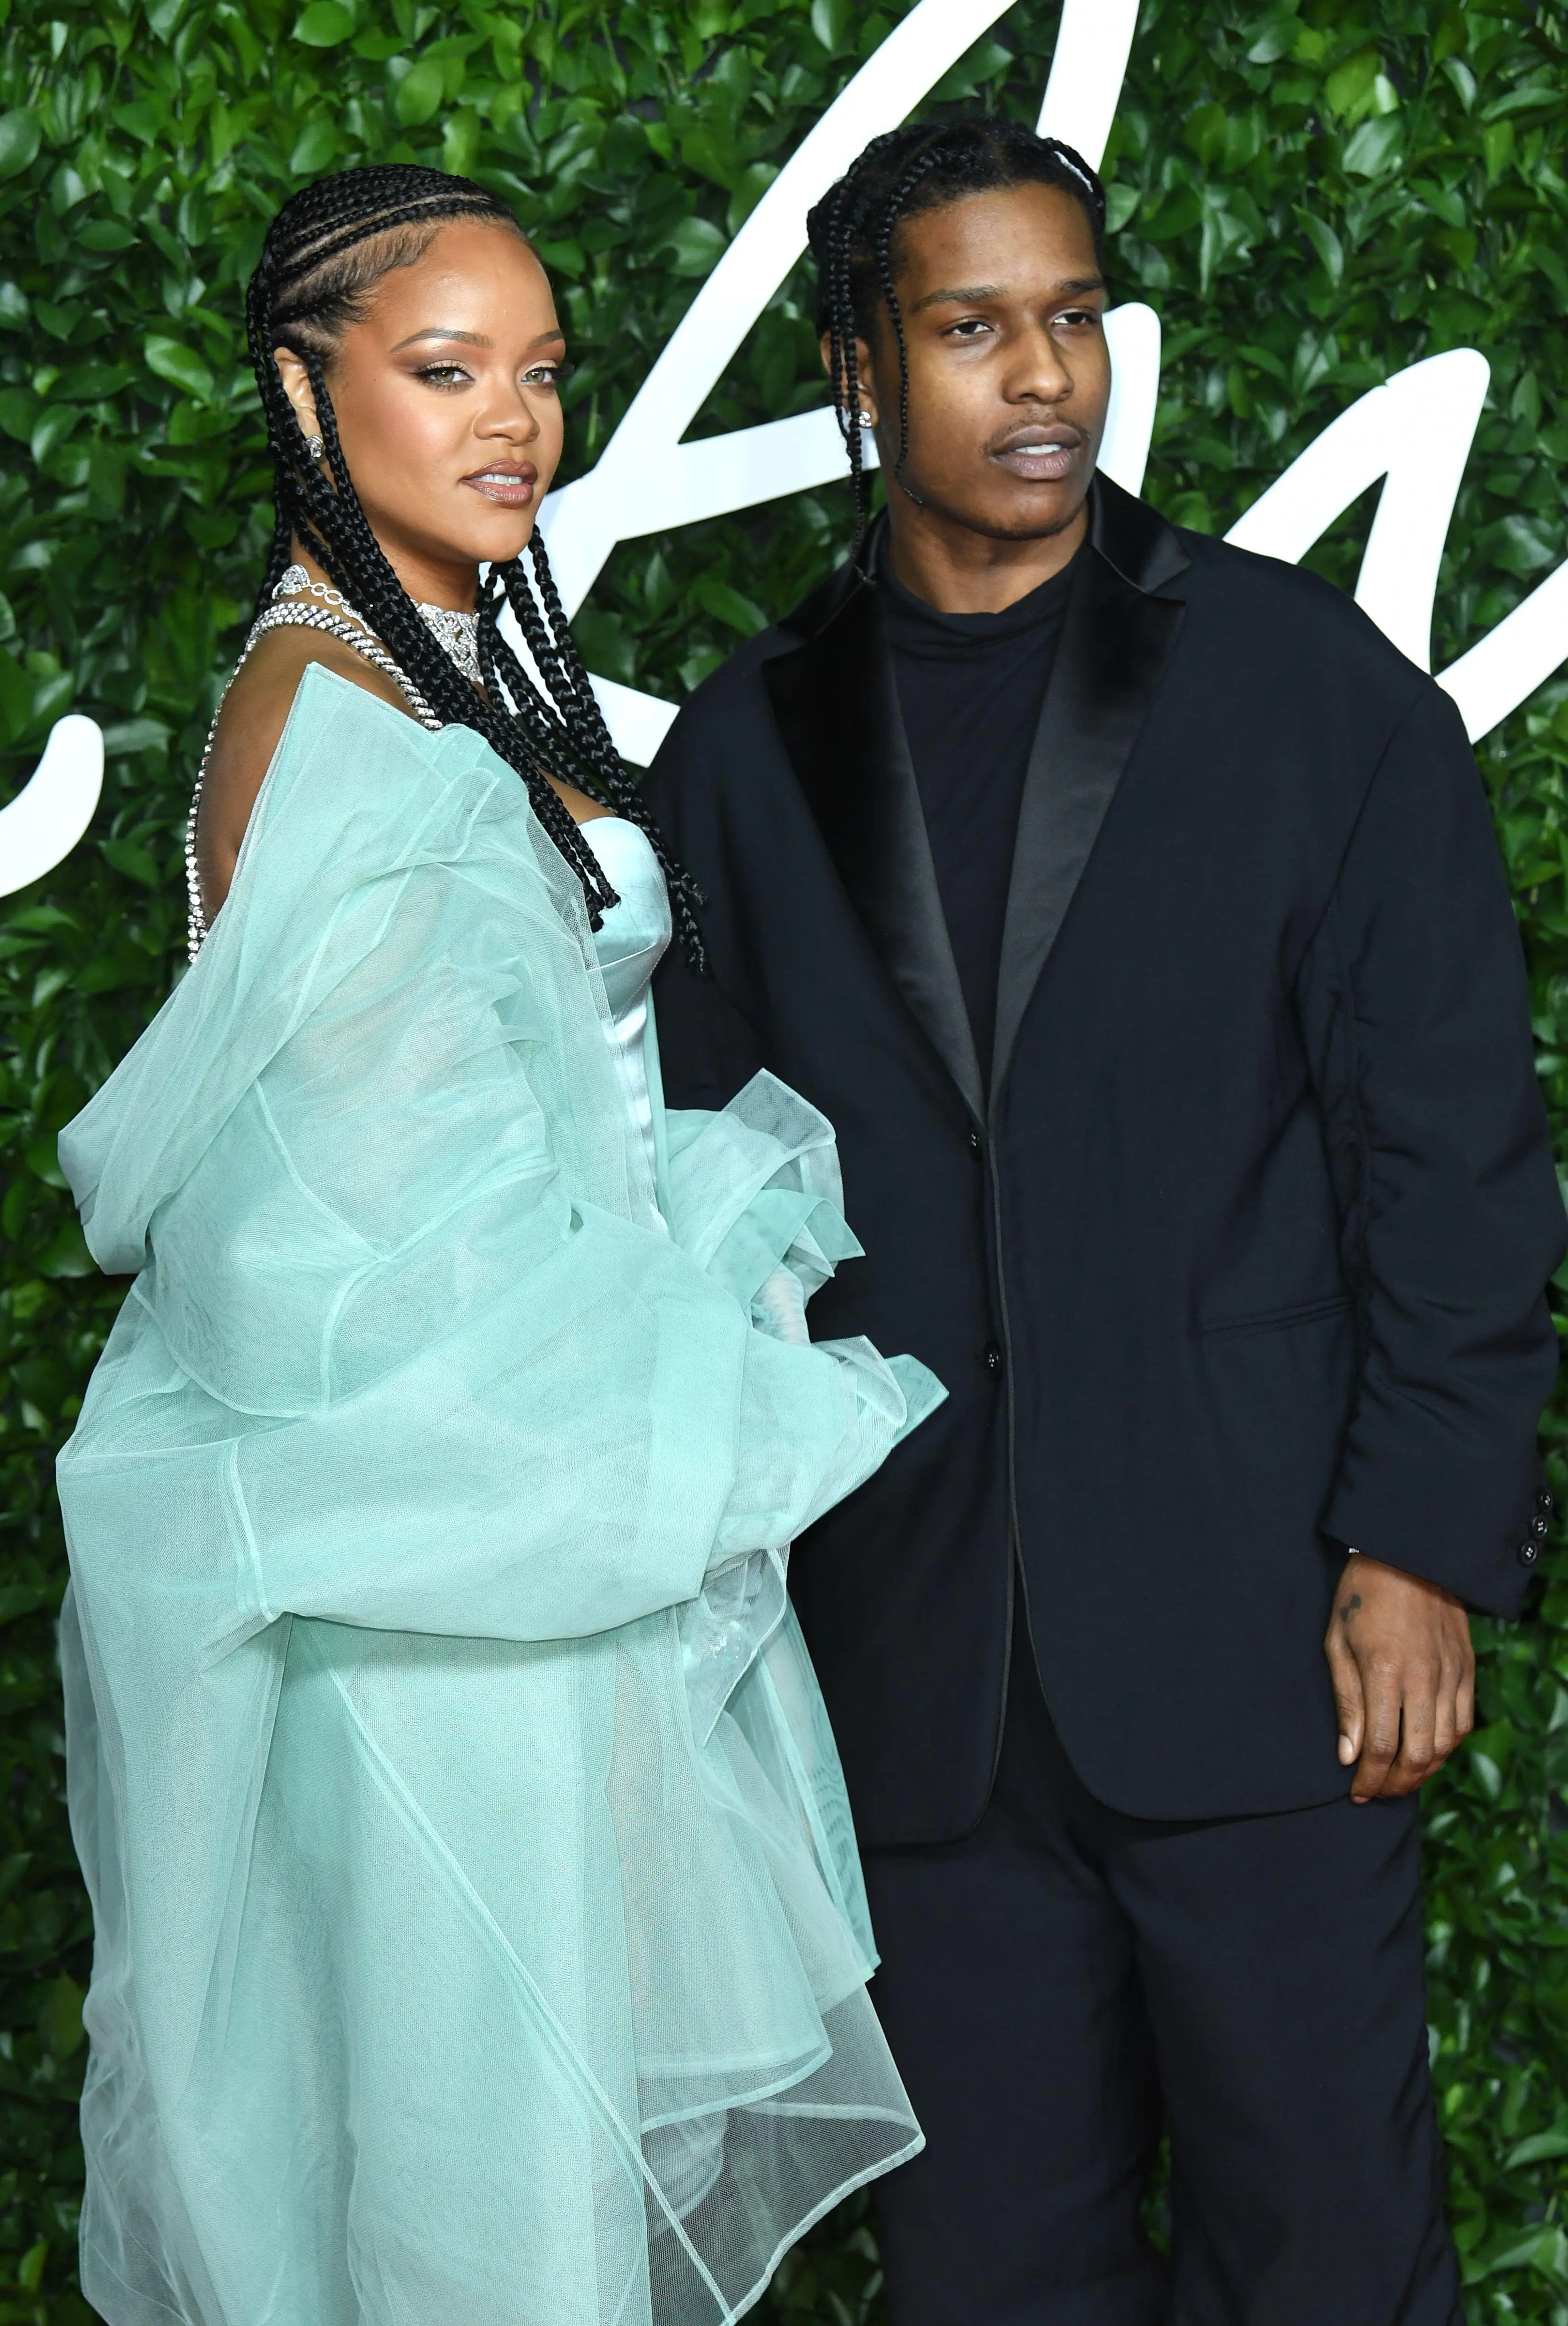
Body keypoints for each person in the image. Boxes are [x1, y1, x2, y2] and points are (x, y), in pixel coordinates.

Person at [646, 115, 1564, 2326]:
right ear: (863, 375)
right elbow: (697, 1217)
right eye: (973, 329)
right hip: (915, 1688)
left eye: (1073, 321)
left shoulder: (1299, 688)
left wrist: (1420, 1541)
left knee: (1326, 2263)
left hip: (1264, 1648)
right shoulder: (749, 753)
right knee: (985, 2281)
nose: (1043, 377)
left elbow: (1449, 1145)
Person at [54, 163, 945, 2326]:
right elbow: (343, 1262)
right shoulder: (335, 715)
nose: (514, 420)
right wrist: (688, 1344)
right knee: (487, 2206)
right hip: (449, 1584)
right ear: (301, 385)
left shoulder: (429, 673)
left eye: (540, 373)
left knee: (520, 2184)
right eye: (444, 370)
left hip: (525, 1563)